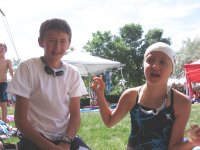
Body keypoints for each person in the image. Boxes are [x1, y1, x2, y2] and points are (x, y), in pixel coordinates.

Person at [91, 42, 200, 150]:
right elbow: (109, 121)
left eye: (162, 62)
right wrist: (100, 95)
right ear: (143, 65)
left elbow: (174, 147)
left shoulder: (181, 103)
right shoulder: (131, 95)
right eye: (150, 60)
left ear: (172, 69)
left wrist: (193, 143)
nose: (155, 65)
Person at [7, 18, 89, 150]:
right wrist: (49, 147)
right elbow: (20, 120)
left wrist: (66, 143)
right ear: (41, 42)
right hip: (34, 137)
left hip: (65, 137)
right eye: (51, 40)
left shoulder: (73, 73)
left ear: (69, 44)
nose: (57, 47)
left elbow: (75, 115)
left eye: (62, 41)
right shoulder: (27, 68)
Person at [0, 43, 14, 123]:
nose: (1, 49)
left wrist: (15, 80)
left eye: (2, 48)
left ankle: (4, 119)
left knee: (3, 102)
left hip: (3, 83)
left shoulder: (7, 60)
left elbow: (11, 71)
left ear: (6, 50)